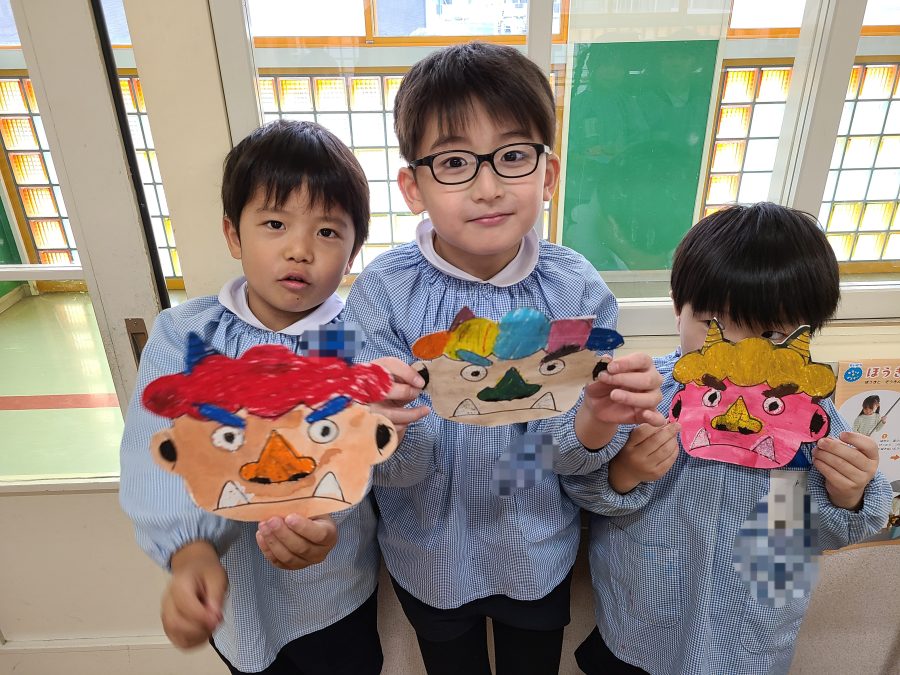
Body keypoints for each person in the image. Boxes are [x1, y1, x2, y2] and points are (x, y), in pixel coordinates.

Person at [342, 41, 665, 675]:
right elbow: (395, 473)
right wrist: (387, 426)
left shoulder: (574, 289)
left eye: (513, 156)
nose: (488, 187)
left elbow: (571, 458)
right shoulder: (384, 292)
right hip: (428, 554)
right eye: (454, 162)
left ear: (548, 174)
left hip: (539, 550)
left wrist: (597, 418)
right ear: (413, 187)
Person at [119, 120, 427, 674]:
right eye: (275, 223)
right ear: (234, 234)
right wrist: (191, 551)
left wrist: (387, 425)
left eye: (327, 232)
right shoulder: (185, 337)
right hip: (234, 595)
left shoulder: (363, 342)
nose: (299, 249)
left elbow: (396, 469)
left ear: (353, 253)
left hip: (335, 590)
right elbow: (157, 453)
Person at [570, 202, 893, 675]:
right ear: (677, 308)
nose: (741, 353)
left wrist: (849, 495)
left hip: (746, 641)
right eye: (714, 326)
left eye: (772, 334)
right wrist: (624, 473)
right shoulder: (644, 395)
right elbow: (579, 484)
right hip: (640, 622)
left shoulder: (808, 418)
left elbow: (813, 533)